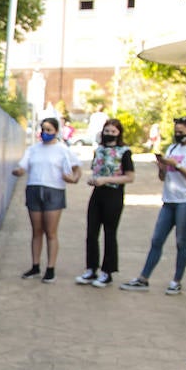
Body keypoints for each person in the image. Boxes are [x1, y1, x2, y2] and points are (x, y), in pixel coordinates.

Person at [120, 116, 186, 295]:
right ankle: (143, 278)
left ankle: (176, 281)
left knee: (181, 241)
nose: (178, 135)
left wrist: (178, 165)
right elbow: (164, 177)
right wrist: (162, 166)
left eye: (181, 132)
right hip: (169, 200)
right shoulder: (173, 148)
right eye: (176, 132)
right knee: (157, 239)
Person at [12, 117, 82, 283]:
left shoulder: (62, 150)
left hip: (54, 190)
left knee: (51, 231)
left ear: (56, 132)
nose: (45, 133)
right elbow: (23, 166)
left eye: (49, 130)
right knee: (37, 230)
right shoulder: (33, 149)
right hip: (34, 189)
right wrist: (19, 171)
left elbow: (77, 168)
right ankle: (35, 265)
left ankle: (50, 268)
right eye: (43, 129)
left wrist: (74, 179)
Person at [75, 118, 135, 287]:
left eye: (113, 132)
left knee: (110, 233)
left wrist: (107, 179)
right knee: (91, 232)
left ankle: (107, 272)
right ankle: (91, 268)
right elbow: (96, 169)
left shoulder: (124, 152)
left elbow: (130, 177)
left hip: (113, 194)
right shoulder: (99, 150)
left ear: (119, 133)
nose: (109, 134)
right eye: (107, 131)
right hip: (97, 193)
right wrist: (94, 180)